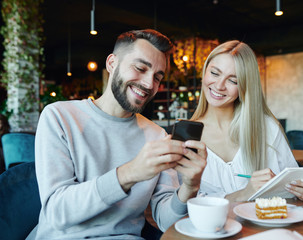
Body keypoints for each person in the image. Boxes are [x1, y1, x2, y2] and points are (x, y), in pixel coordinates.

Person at [27, 29, 206, 239]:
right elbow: (58, 212)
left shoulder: (156, 134)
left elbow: (166, 222)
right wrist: (130, 173)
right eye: (140, 68)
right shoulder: (59, 116)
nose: (149, 84)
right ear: (112, 63)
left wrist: (189, 187)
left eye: (157, 77)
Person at [191, 40, 303, 202]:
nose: (219, 85)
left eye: (233, 80)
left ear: (245, 87)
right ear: (204, 72)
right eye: (215, 73)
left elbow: (291, 190)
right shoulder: (187, 136)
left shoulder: (267, 128)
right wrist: (244, 193)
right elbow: (183, 207)